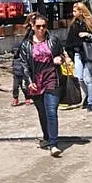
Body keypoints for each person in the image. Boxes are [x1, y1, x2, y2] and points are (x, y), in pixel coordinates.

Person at [19, 14, 65, 156]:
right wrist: (29, 81)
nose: (41, 29)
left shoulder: (53, 40)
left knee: (51, 111)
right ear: (32, 27)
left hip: (52, 79)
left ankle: (53, 144)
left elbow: (62, 55)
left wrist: (60, 59)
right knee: (43, 112)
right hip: (35, 82)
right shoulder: (26, 45)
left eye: (44, 26)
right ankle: (47, 136)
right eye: (38, 26)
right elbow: (24, 65)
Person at [64, 1, 92, 112]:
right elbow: (70, 40)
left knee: (88, 79)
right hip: (77, 53)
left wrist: (88, 35)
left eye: (75, 11)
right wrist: (67, 53)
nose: (73, 13)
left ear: (81, 11)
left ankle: (90, 101)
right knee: (79, 78)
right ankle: (87, 95)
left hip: (88, 53)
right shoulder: (74, 24)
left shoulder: (90, 22)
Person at [10, 42, 31, 107]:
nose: (15, 52)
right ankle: (15, 98)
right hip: (16, 74)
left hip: (23, 74)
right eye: (14, 51)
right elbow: (13, 65)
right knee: (15, 87)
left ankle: (27, 98)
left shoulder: (24, 57)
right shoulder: (14, 57)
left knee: (24, 87)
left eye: (17, 50)